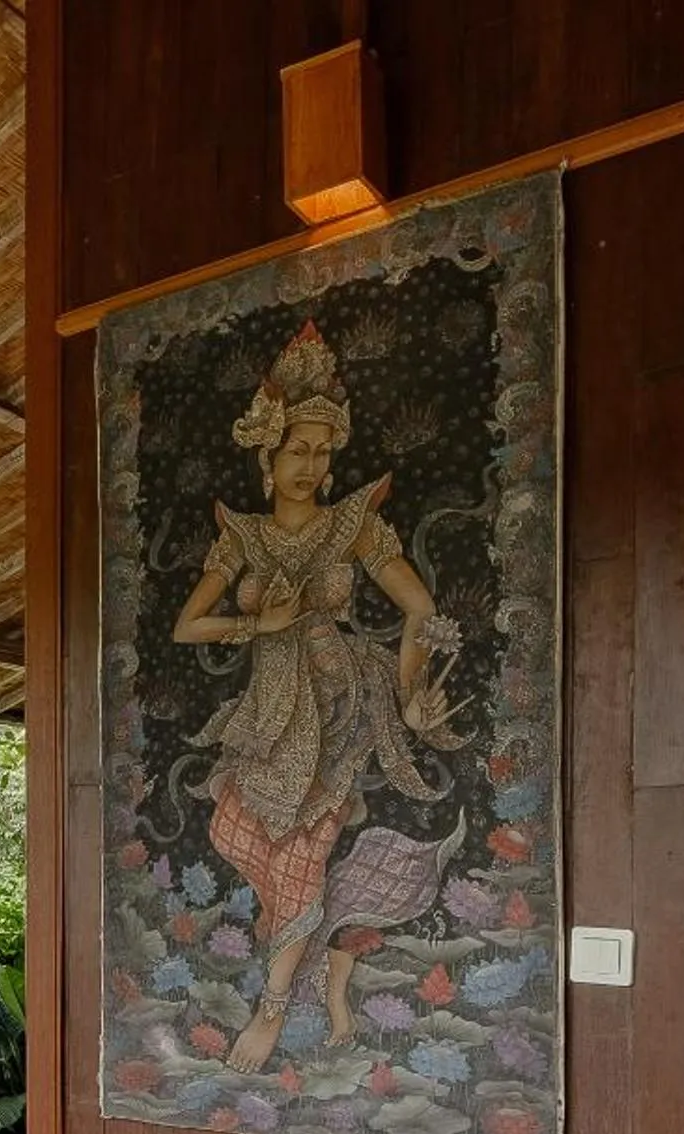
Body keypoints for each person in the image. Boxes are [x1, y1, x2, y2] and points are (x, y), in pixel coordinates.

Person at [171, 320, 468, 1073]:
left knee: (301, 856)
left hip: (337, 704)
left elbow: (419, 609)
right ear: (268, 457)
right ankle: (331, 963)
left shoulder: (353, 524)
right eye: (296, 449)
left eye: (321, 451)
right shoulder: (242, 535)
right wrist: (254, 621)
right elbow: (186, 626)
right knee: (240, 835)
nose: (310, 464)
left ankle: (271, 1012)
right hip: (268, 709)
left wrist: (406, 698)